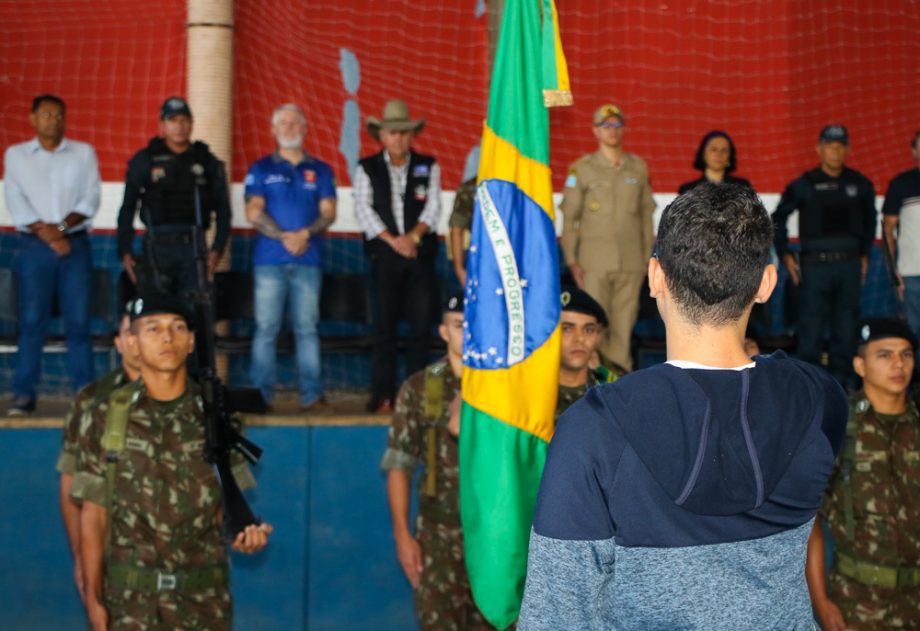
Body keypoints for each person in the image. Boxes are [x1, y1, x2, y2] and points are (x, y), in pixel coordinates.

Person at [519, 183, 847, 629]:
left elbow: (556, 614)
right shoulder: (820, 400)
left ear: (655, 277)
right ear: (766, 284)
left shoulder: (593, 428)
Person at [71, 292, 271, 631]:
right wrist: (94, 601)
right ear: (131, 343)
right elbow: (94, 516)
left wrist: (244, 531)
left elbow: (228, 502)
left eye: (178, 328)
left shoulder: (218, 418)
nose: (167, 337)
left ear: (192, 342)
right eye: (153, 329)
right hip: (131, 604)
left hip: (204, 603)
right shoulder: (105, 416)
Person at [381, 293, 496, 630]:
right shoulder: (421, 387)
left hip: (494, 538)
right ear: (444, 331)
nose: (469, 333)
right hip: (437, 538)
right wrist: (403, 536)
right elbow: (399, 466)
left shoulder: (504, 388)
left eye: (475, 324)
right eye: (459, 325)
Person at [806, 318, 920, 630]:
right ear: (860, 365)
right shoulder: (838, 431)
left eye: (906, 354)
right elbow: (811, 521)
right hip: (856, 603)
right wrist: (821, 603)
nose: (898, 363)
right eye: (885, 354)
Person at [3, 94, 101, 416]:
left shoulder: (83, 153)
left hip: (75, 246)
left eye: (59, 115)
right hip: (34, 248)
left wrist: (59, 230)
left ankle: (84, 395)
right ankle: (23, 396)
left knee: (78, 323)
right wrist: (50, 236)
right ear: (33, 119)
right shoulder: (16, 156)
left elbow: (90, 200)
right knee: (32, 322)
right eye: (46, 114)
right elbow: (17, 202)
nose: (53, 120)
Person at [244, 104, 337, 411]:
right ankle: (260, 395)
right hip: (269, 261)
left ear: (305, 128)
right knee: (266, 329)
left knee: (307, 329)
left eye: (295, 122)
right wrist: (285, 236)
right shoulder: (261, 168)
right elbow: (253, 211)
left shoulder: (321, 169)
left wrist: (304, 235)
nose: (289, 127)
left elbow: (328, 212)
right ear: (273, 130)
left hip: (308, 262)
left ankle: (312, 396)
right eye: (283, 123)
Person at [354, 99, 442, 413]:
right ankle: (383, 397)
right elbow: (363, 210)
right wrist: (394, 241)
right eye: (392, 133)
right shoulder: (367, 167)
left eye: (404, 133)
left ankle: (415, 399)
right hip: (384, 257)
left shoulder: (428, 165)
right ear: (382, 136)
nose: (398, 139)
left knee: (421, 331)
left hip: (420, 257)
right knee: (383, 330)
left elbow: (433, 207)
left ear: (411, 135)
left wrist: (413, 238)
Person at [773, 124, 877, 386]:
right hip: (814, 268)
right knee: (811, 334)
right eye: (830, 145)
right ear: (819, 149)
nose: (835, 151)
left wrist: (864, 253)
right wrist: (785, 254)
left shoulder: (860, 184)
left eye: (840, 145)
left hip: (849, 266)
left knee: (846, 333)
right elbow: (778, 218)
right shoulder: (804, 184)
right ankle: (808, 395)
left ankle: (846, 395)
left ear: (848, 150)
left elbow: (870, 219)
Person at [560, 103, 655, 372]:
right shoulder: (582, 169)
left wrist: (648, 258)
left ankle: (621, 387)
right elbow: (570, 218)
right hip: (594, 264)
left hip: (631, 262)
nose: (611, 131)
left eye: (616, 125)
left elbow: (647, 216)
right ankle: (593, 385)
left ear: (623, 129)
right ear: (595, 131)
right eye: (605, 125)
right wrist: (572, 260)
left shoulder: (638, 167)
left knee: (623, 331)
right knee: (593, 326)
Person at [56, 304, 141, 603]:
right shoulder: (91, 401)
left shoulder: (190, 401)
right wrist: (80, 555)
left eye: (147, 331)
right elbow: (71, 482)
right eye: (130, 332)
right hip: (113, 563)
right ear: (118, 343)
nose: (137, 341)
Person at [117, 97, 231, 299]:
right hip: (156, 247)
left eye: (184, 120)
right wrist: (124, 250)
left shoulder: (206, 160)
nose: (179, 126)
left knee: (193, 311)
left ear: (192, 124)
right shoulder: (146, 159)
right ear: (162, 125)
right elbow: (128, 206)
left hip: (194, 247)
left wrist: (217, 249)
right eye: (172, 120)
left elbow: (224, 209)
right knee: (157, 310)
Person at [556, 287, 623, 417]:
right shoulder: (529, 389)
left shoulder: (618, 386)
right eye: (567, 329)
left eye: (588, 330)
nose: (580, 339)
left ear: (599, 336)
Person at [882, 130, 920, 339]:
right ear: (914, 150)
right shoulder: (901, 184)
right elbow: (887, 230)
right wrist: (893, 270)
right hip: (911, 274)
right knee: (912, 334)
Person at [677, 130, 753, 194]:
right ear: (703, 154)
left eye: (724, 150)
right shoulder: (688, 190)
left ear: (730, 156)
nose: (718, 154)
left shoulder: (742, 187)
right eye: (713, 149)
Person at [448, 176, 477, 287]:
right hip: (482, 258)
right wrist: (459, 269)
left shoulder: (523, 183)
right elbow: (456, 229)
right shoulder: (471, 187)